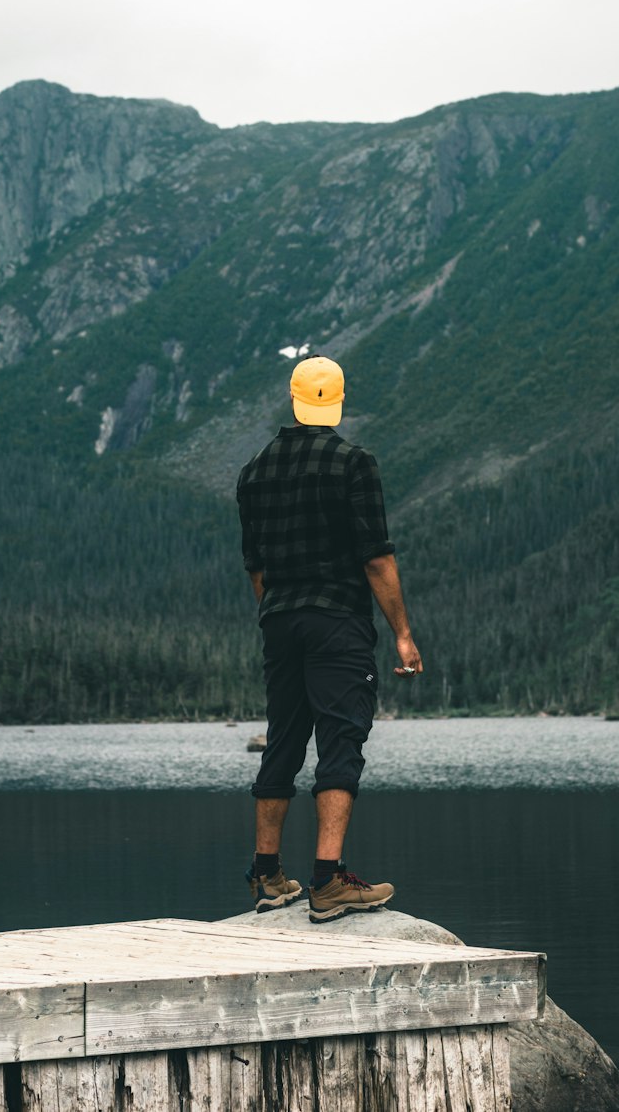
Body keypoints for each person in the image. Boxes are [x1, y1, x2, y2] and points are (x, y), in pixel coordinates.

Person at [236, 354, 423, 923]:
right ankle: (328, 882)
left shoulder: (254, 472)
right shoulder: (353, 464)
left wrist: (279, 616)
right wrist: (404, 636)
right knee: (341, 741)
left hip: (280, 619)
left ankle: (266, 876)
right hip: (337, 621)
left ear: (293, 399)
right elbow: (376, 560)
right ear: (337, 401)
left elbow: (256, 571)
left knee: (285, 740)